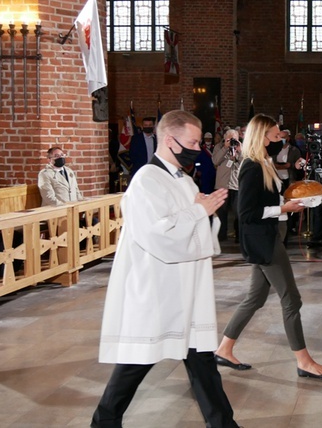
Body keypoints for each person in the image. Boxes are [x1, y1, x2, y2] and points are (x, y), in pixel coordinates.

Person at [91, 110, 239, 427]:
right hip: (158, 287)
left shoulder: (184, 181)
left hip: (188, 288)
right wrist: (199, 210)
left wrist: (207, 213)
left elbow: (197, 234)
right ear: (170, 140)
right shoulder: (146, 181)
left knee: (202, 362)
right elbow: (159, 236)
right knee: (134, 364)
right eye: (193, 142)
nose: (198, 148)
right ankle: (103, 422)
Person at [214, 113, 322, 380]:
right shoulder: (251, 166)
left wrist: (292, 201)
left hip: (267, 237)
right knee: (291, 299)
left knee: (255, 298)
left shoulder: (263, 162)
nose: (279, 139)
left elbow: (267, 200)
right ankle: (304, 362)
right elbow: (245, 212)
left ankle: (224, 349)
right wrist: (283, 207)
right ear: (262, 137)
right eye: (275, 135)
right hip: (263, 241)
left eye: (280, 135)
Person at [212, 128, 242, 242]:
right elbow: (215, 161)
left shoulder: (241, 147)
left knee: (238, 212)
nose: (232, 141)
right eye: (229, 139)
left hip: (236, 184)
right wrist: (225, 147)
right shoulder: (218, 147)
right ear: (225, 138)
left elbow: (246, 161)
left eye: (234, 139)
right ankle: (221, 236)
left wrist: (239, 151)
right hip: (222, 185)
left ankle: (239, 236)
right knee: (221, 213)